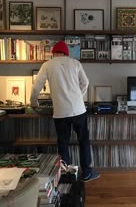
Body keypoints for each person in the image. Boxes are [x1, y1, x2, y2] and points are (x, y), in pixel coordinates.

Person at [30, 40, 100, 182]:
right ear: (66, 53)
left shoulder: (47, 65)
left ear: (53, 53)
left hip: (61, 112)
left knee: (63, 143)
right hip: (79, 110)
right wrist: (78, 97)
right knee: (83, 141)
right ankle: (87, 172)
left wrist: (33, 102)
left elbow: (36, 86)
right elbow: (85, 82)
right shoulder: (75, 63)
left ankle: (67, 175)